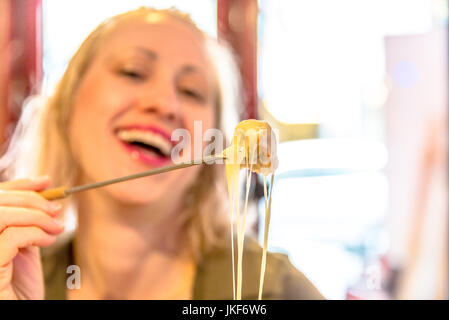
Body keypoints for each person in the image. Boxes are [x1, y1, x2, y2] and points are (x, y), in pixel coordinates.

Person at [0, 7, 323, 300]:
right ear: (67, 107)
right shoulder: (13, 274)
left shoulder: (275, 292)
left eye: (191, 91)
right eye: (132, 72)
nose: (165, 103)